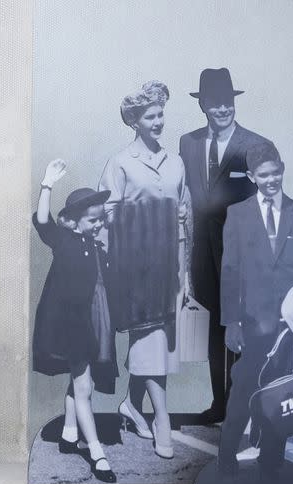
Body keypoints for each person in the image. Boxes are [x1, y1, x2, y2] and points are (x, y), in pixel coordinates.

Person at [217, 143, 293, 484]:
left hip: (291, 326)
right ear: (251, 177)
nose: (270, 180)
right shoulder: (238, 214)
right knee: (243, 389)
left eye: (275, 173)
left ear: (283, 168)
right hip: (251, 323)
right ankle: (225, 457)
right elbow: (230, 271)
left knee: (283, 393)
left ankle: (271, 462)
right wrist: (231, 321)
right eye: (262, 176)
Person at [98, 80, 190, 459]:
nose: (158, 121)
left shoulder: (176, 163)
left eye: (161, 114)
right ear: (135, 121)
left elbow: (185, 214)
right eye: (150, 116)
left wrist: (185, 269)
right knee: (149, 340)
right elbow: (106, 214)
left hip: (168, 267)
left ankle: (132, 406)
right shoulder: (120, 163)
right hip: (133, 269)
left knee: (157, 342)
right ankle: (161, 418)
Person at [179, 68, 273, 424]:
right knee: (214, 332)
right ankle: (221, 404)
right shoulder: (187, 143)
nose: (223, 109)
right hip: (203, 254)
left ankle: (244, 408)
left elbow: (271, 203)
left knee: (243, 329)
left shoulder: (256, 145)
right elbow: (188, 194)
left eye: (227, 102)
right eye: (215, 103)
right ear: (203, 105)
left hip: (243, 256)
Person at [32, 158, 117, 483]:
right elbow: (42, 222)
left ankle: (69, 435)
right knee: (84, 386)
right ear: (74, 221)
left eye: (100, 219)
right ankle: (96, 452)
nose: (99, 224)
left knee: (83, 381)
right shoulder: (63, 239)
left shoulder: (95, 248)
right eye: (93, 220)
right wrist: (47, 184)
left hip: (84, 325)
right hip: (64, 325)